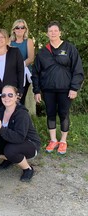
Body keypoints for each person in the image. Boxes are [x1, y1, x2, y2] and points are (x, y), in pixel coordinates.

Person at [32, 21, 84, 154]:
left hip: (66, 89)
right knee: (50, 114)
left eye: (55, 30)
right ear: (47, 33)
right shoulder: (43, 52)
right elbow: (36, 73)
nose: (53, 33)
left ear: (60, 32)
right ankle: (53, 140)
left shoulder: (69, 48)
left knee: (63, 114)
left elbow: (77, 70)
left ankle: (63, 141)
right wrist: (36, 90)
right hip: (48, 89)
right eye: (50, 31)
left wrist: (74, 88)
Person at [0, 85, 41, 182]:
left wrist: (1, 127)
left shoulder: (22, 114)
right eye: (3, 95)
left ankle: (28, 169)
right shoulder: (0, 111)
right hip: (12, 140)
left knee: (10, 151)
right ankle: (9, 159)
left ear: (16, 96)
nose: (6, 98)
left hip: (29, 143)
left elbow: (19, 137)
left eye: (10, 95)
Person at [10, 19, 35, 105]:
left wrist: (20, 66)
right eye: (17, 27)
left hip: (25, 73)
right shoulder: (9, 42)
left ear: (25, 29)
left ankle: (20, 117)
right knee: (11, 98)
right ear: (13, 30)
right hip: (11, 74)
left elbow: (31, 58)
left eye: (22, 27)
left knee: (20, 99)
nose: (20, 30)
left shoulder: (29, 41)